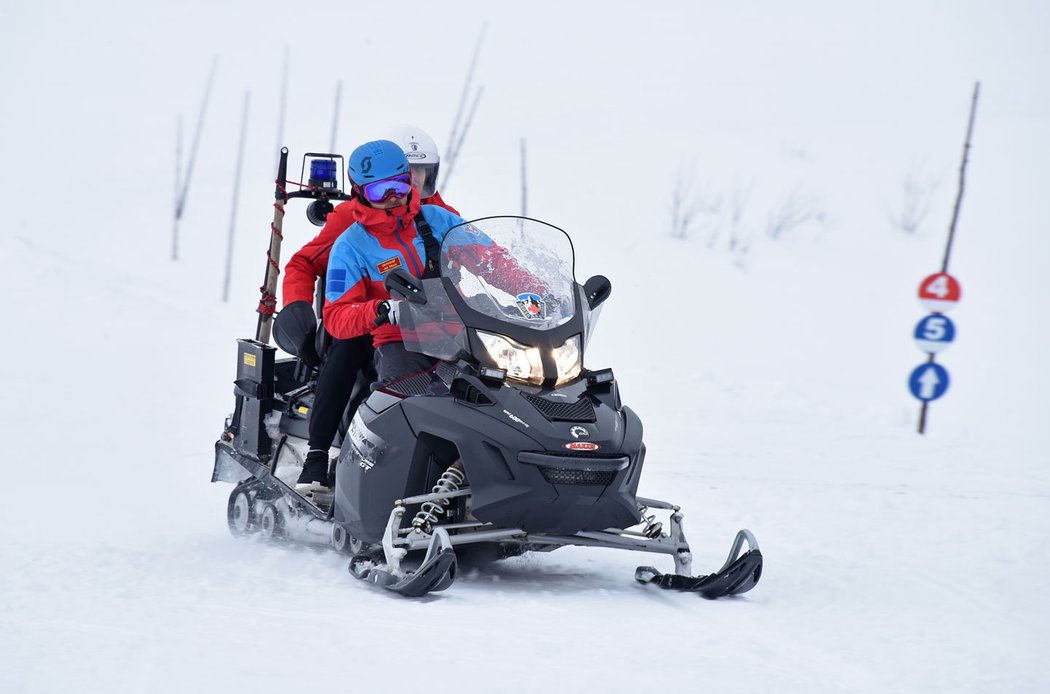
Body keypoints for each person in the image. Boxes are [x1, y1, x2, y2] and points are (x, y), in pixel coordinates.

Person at [276, 127, 459, 492]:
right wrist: (300, 313)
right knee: (345, 352)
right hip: (372, 319)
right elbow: (304, 265)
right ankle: (320, 456)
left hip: (441, 326)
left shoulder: (439, 216)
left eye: (417, 175)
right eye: (381, 189)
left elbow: (487, 255)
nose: (398, 192)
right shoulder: (352, 224)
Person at [323, 139, 468, 386]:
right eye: (380, 191)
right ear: (359, 192)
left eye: (399, 187)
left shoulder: (440, 220)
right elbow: (336, 316)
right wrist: (382, 310)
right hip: (400, 342)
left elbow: (494, 260)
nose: (392, 198)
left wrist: (535, 293)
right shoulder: (351, 246)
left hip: (461, 333)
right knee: (403, 401)